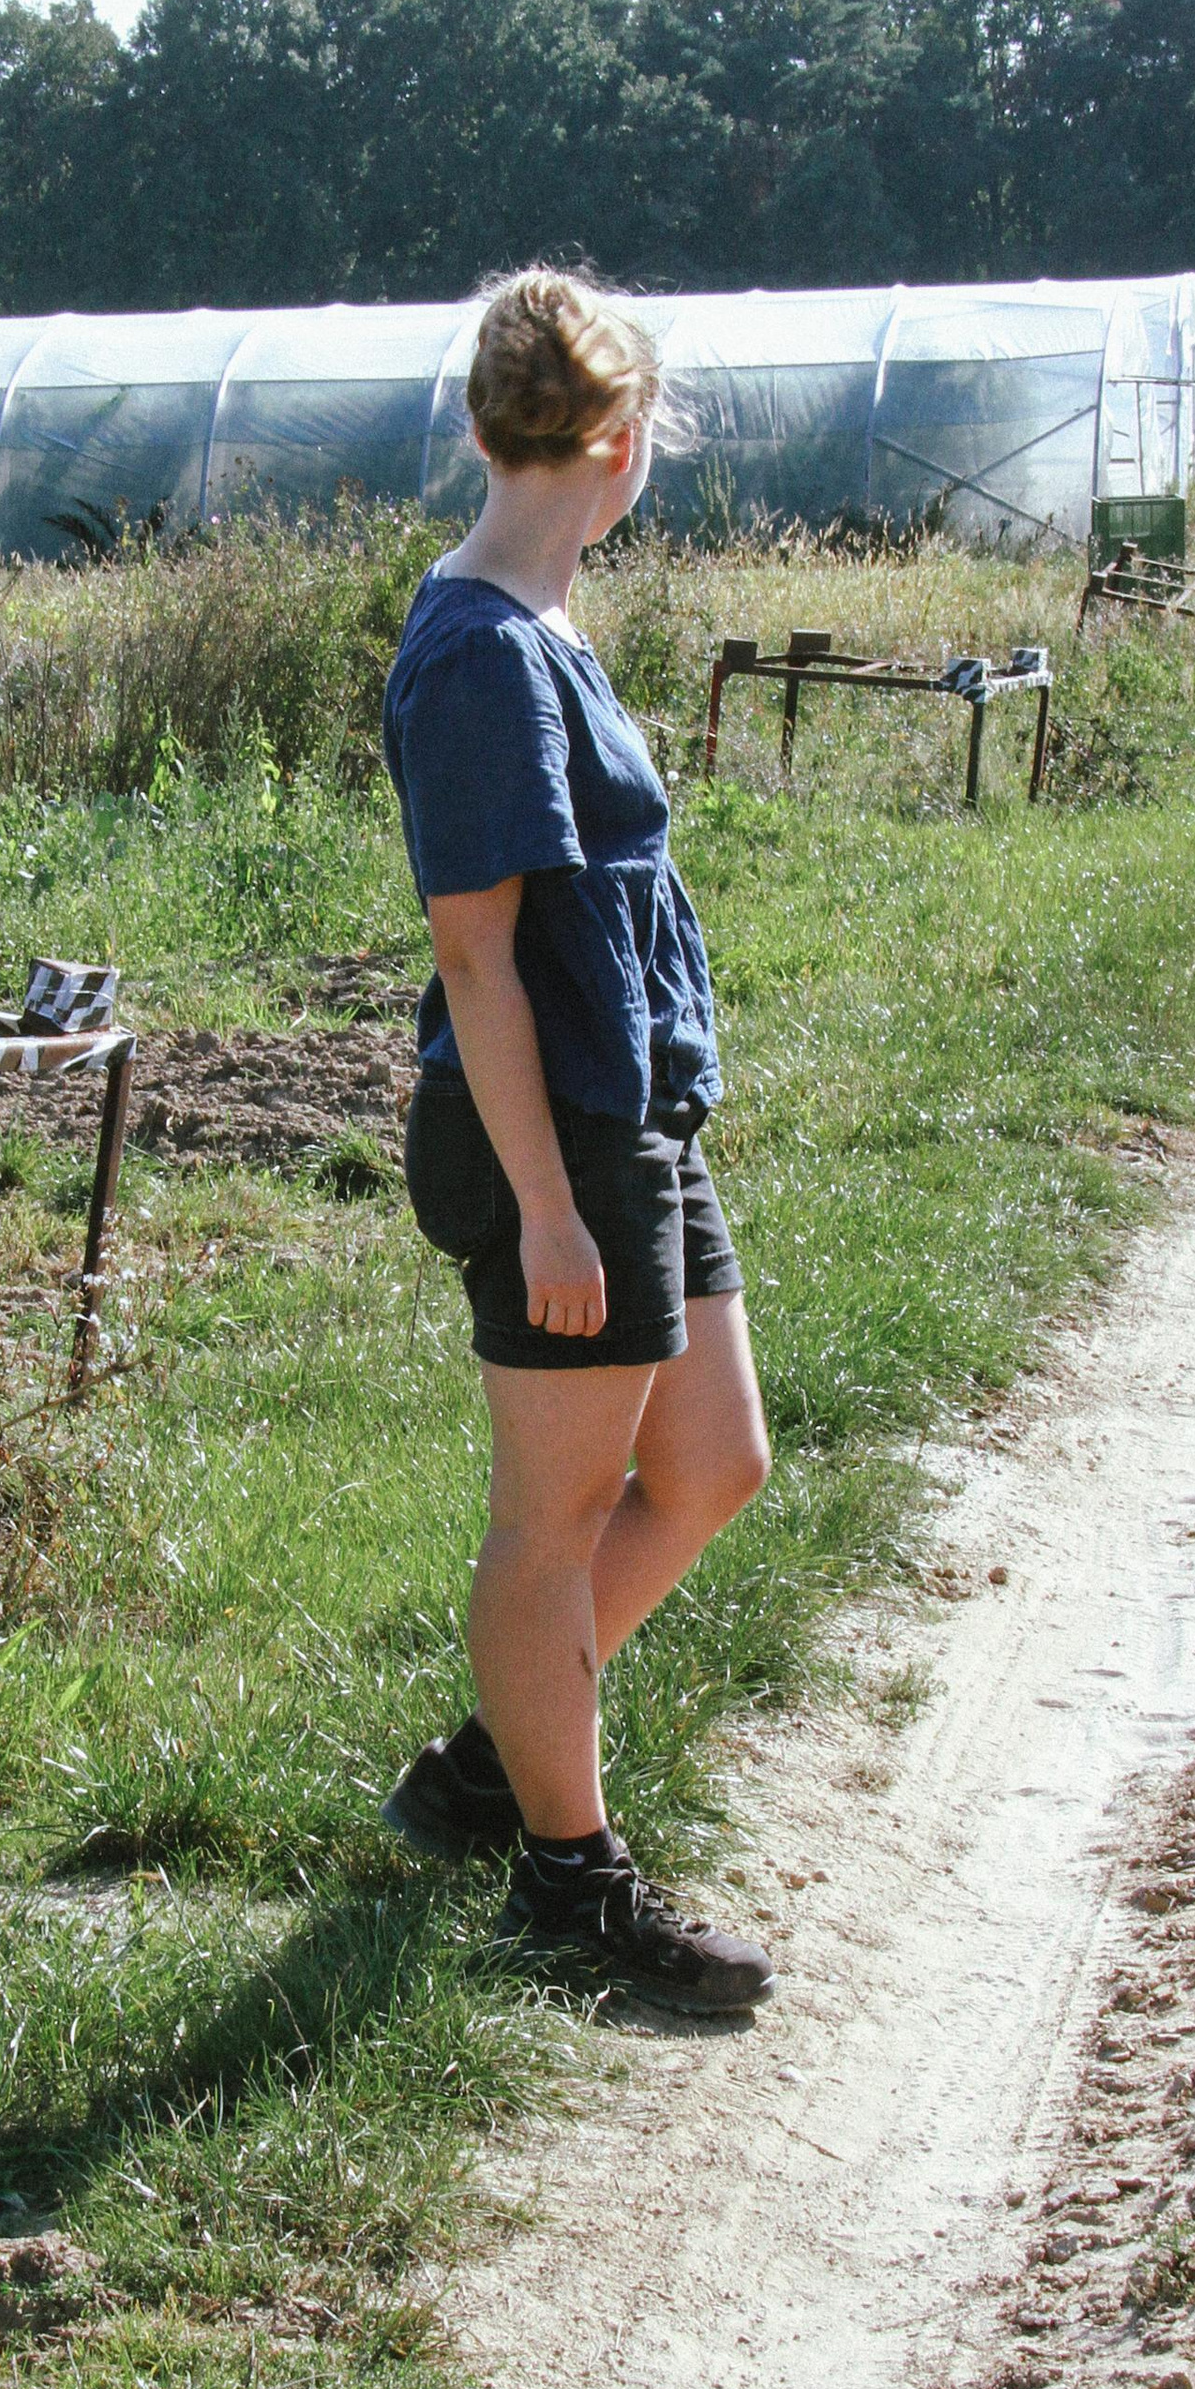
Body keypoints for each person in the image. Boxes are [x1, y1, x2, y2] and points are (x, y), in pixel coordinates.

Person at [376, 269, 774, 2013]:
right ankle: (566, 1883)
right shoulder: (475, 657)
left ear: (485, 426)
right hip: (559, 1148)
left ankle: (485, 1767)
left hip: (636, 1123)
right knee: (552, 1526)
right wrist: (547, 1209)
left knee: (711, 1468)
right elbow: (479, 957)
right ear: (624, 445)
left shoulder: (541, 627)